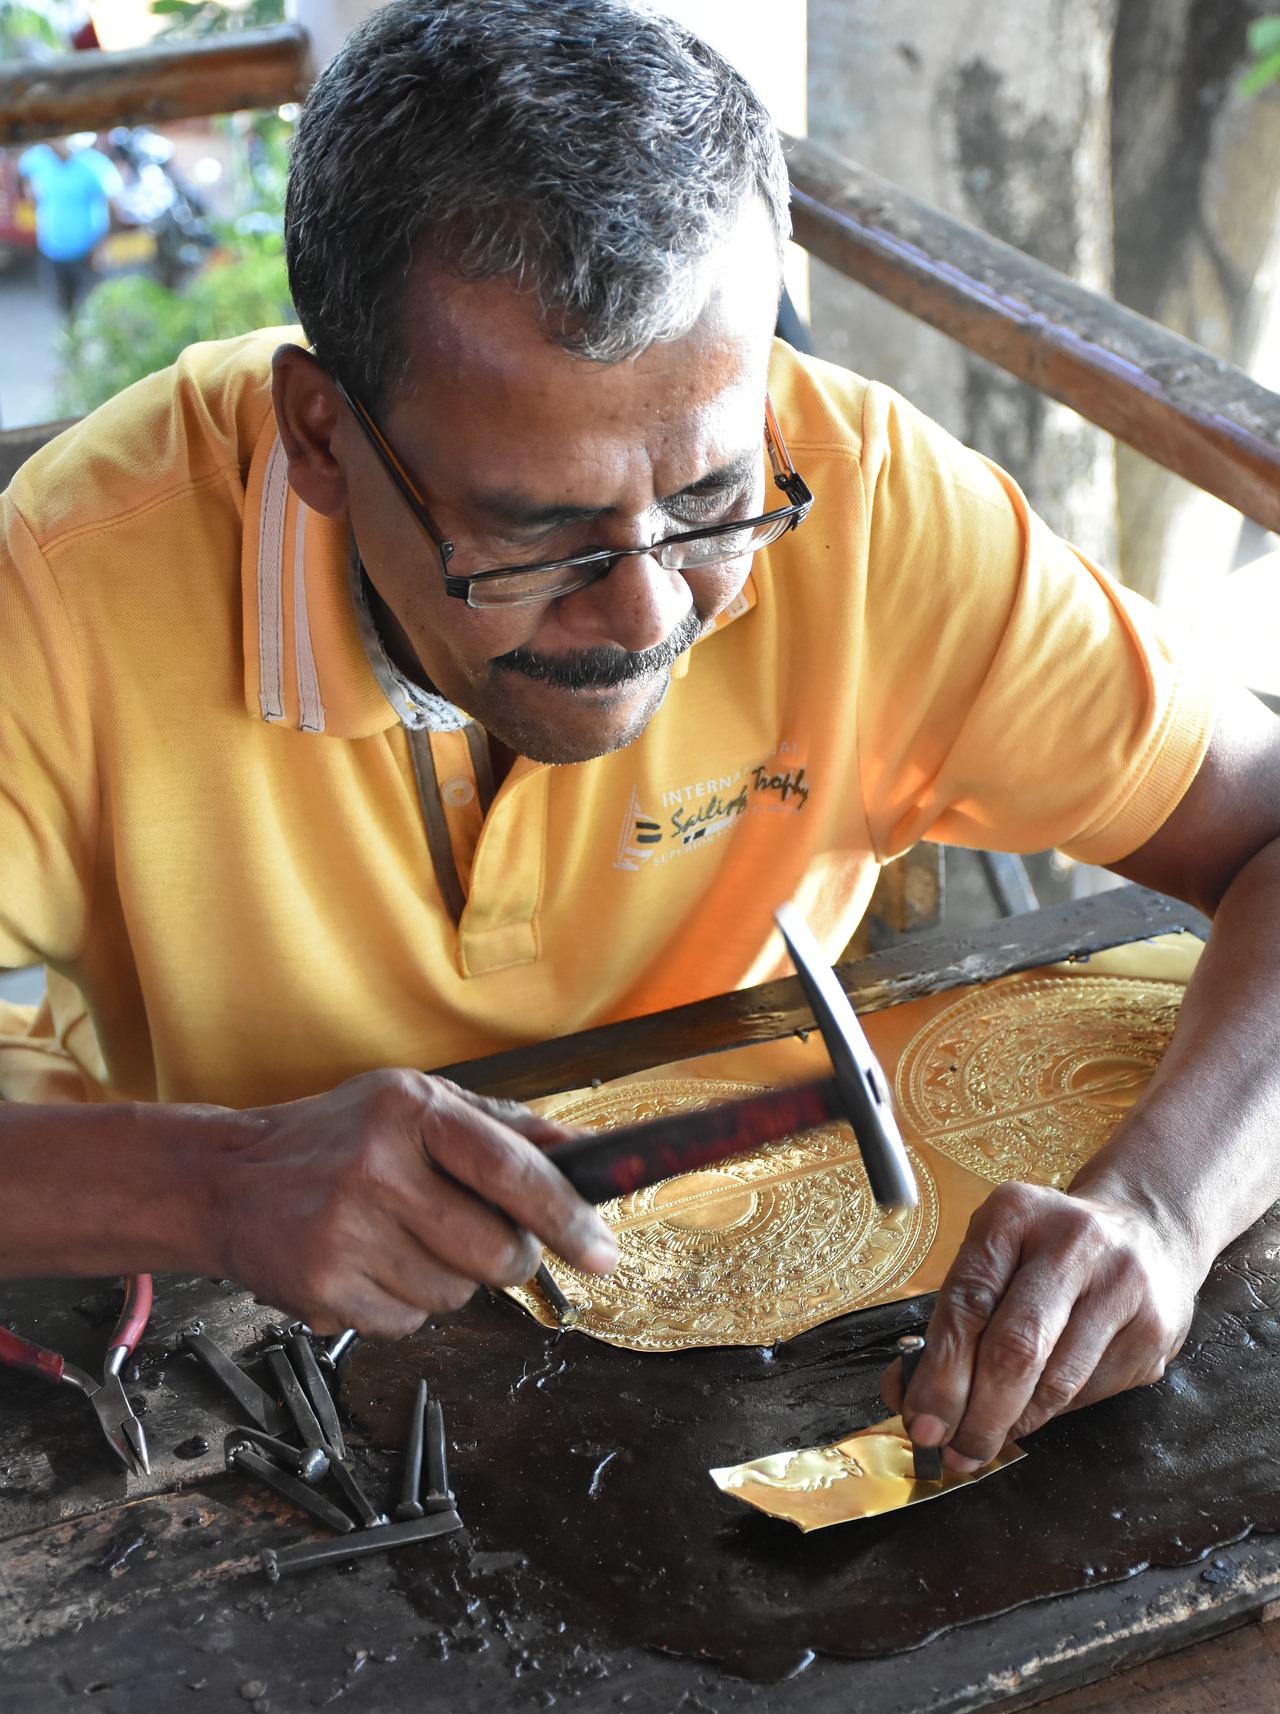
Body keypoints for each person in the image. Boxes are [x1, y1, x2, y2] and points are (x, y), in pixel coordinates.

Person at [2, 0, 1279, 1481]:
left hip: (716, 1324)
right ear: (320, 438)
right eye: (533, 531)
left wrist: (1165, 1212)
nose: (649, 609)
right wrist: (209, 1184)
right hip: (218, 1355)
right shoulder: (74, 585)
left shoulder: (864, 504)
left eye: (712, 498)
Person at [18, 134, 122, 314]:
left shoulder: (94, 165)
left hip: (87, 253)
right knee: (64, 305)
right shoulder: (38, 159)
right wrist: (31, 192)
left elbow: (114, 207)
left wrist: (101, 247)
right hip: (52, 250)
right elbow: (22, 171)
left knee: (95, 308)